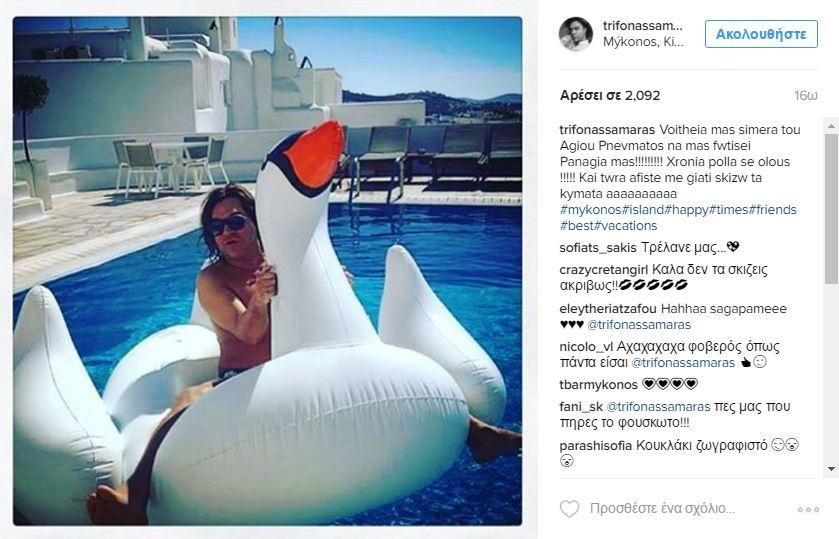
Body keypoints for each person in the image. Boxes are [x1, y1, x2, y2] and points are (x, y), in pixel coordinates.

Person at [86, 183, 521, 525]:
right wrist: (259, 298)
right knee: (185, 400)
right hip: (243, 377)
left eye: (235, 221)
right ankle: (135, 495)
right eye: (217, 228)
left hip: (302, 363)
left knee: (390, 366)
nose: (227, 233)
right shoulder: (213, 279)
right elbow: (248, 333)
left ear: (255, 221)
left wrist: (334, 287)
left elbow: (328, 319)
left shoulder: (287, 258)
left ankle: (475, 430)